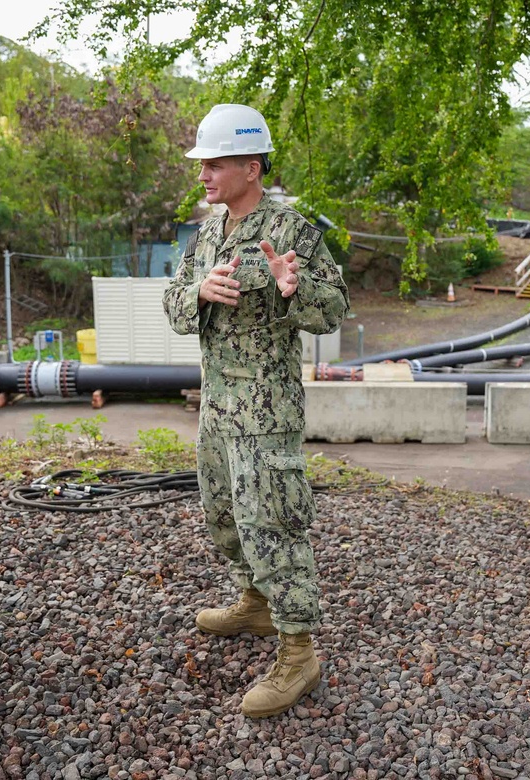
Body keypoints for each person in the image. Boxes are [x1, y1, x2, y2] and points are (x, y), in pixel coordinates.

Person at [163, 104, 350, 718]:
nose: (204, 174)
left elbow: (333, 308)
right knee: (224, 516)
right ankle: (256, 601)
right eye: (202, 163)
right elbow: (173, 303)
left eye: (214, 164)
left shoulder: (290, 228)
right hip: (217, 408)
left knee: (273, 524)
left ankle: (298, 652)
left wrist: (294, 290)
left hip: (265, 413)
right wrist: (197, 291)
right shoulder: (209, 232)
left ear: (252, 165)